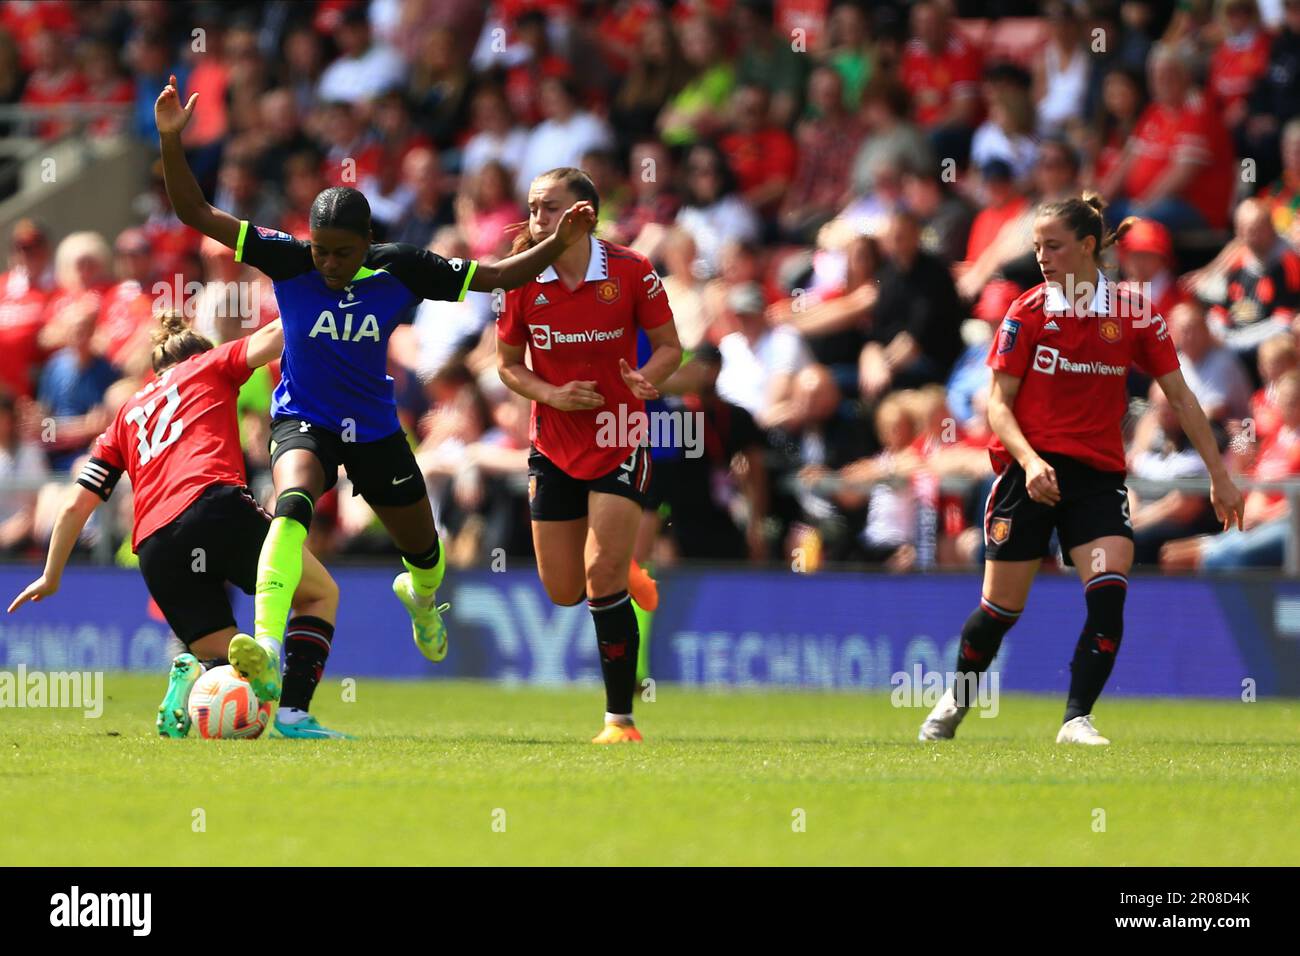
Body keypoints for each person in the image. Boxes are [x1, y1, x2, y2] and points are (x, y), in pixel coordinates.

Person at [154, 75, 596, 702]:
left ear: (367, 243)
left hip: (377, 430)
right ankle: (267, 644)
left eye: (341, 254)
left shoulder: (404, 267)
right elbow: (195, 212)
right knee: (292, 504)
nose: (328, 265)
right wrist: (172, 139)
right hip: (303, 418)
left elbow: (498, 275)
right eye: (322, 252)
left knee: (425, 553)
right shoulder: (288, 257)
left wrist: (559, 241)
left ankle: (421, 598)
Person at [918, 194, 1245, 745]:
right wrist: (1029, 461)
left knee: (1109, 591)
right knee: (999, 612)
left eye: (1054, 245)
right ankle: (956, 699)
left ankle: (1076, 719)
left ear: (1088, 246)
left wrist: (1221, 475)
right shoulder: (1027, 311)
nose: (1042, 256)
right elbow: (998, 405)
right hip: (1030, 476)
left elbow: (1183, 398)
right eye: (1037, 246)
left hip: (1095, 478)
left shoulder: (1134, 311)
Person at [7, 312, 345, 740]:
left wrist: (51, 575)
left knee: (224, 664)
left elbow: (75, 503)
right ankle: (295, 714)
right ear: (197, 355)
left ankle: (191, 676)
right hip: (214, 506)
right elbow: (278, 334)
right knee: (319, 594)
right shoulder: (209, 364)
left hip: (154, 546)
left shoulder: (125, 416)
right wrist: (323, 296)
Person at [497, 167, 682, 744]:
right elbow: (507, 364)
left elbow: (672, 348)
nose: (537, 219)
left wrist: (648, 379)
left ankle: (619, 721)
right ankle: (621, 563)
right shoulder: (520, 280)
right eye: (532, 208)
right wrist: (551, 394)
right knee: (563, 590)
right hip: (552, 444)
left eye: (550, 207)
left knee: (599, 579)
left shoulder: (631, 271)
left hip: (619, 432)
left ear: (585, 215)